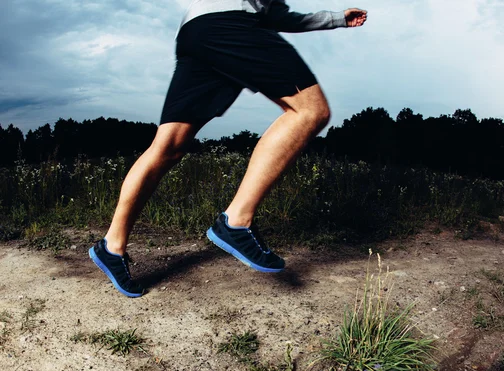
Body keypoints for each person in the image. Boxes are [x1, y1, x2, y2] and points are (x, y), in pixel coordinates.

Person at [89, 0, 368, 297]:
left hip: (195, 32)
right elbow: (269, 14)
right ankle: (236, 222)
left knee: (168, 145)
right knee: (311, 111)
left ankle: (112, 245)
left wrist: (335, 18)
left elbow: (275, 14)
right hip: (229, 23)